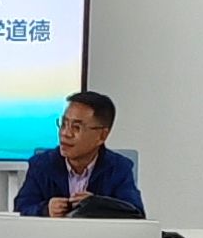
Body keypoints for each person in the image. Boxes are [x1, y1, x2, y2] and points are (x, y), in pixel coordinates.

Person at [13, 90, 142, 217]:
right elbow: (21, 209)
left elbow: (136, 213)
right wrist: (45, 210)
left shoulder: (119, 168)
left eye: (76, 127)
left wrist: (96, 205)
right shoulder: (41, 165)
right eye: (64, 124)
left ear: (102, 135)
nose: (65, 133)